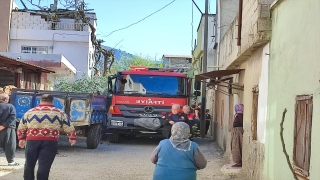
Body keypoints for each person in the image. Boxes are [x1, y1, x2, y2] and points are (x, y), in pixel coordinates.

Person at [18, 94, 77, 180]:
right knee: (44, 165)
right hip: (50, 141)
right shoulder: (59, 112)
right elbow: (68, 126)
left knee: (29, 163)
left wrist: (21, 138)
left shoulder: (30, 112)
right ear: (52, 101)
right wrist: (72, 137)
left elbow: (21, 126)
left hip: (32, 141)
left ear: (40, 101)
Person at [0, 93, 19, 166]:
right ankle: (11, 162)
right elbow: (12, 117)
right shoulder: (11, 107)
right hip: (8, 129)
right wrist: (3, 126)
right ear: (6, 99)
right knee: (10, 144)